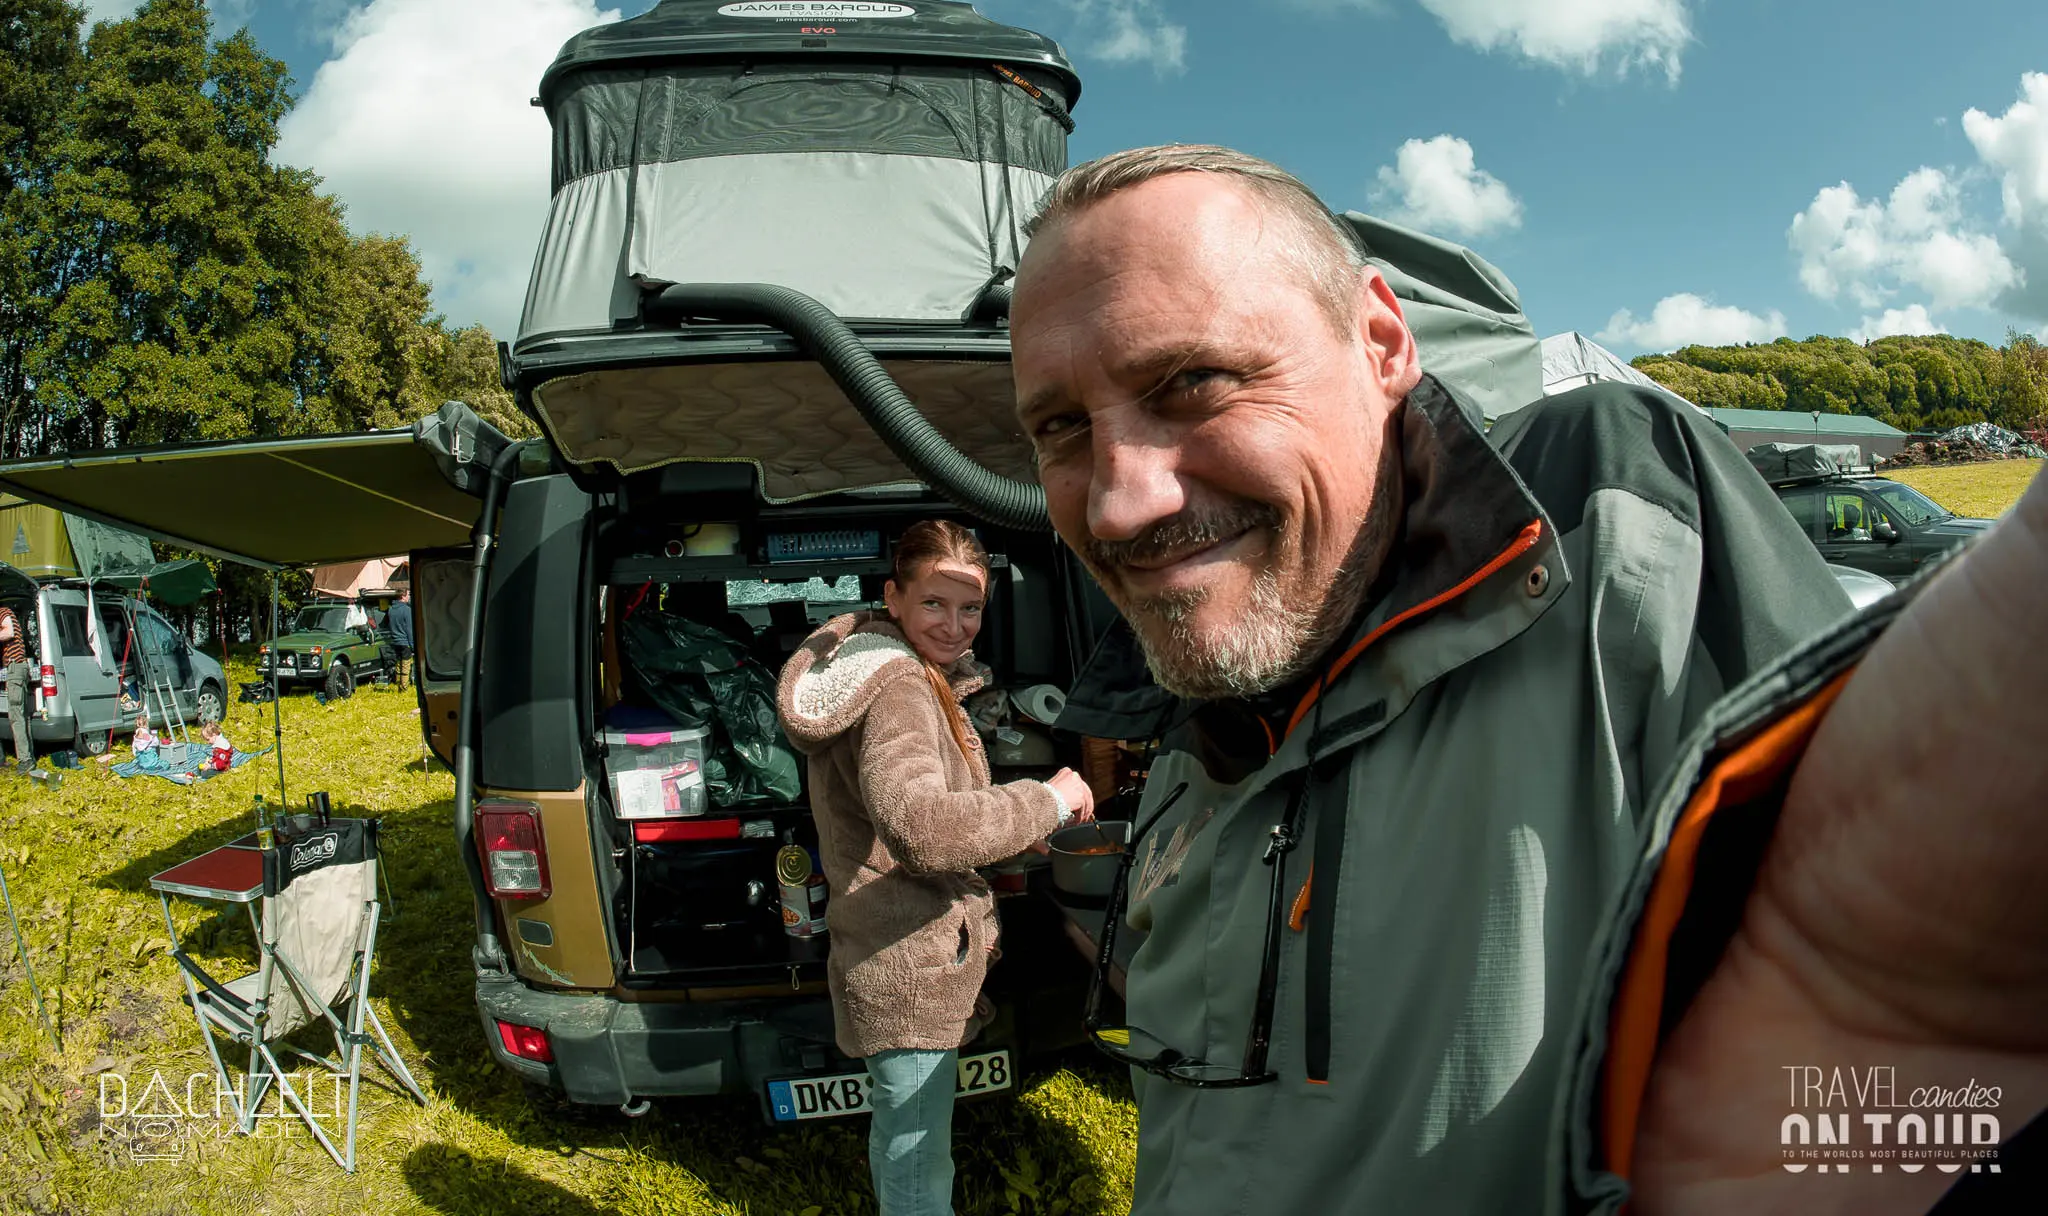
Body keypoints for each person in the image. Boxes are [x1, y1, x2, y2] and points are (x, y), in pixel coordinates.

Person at [1008, 145, 2044, 1213]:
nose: (1118, 504)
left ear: (1380, 341)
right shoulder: (1184, 703)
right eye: (1060, 429)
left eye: (1191, 384)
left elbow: (1906, 1061)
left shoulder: (1612, 527)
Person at [775, 519, 1097, 1216]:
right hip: (909, 960)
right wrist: (1047, 799)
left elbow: (910, 823)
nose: (955, 626)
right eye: (933, 603)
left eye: (970, 607)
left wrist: (1022, 835)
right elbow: (922, 829)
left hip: (890, 945)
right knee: (917, 1165)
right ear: (893, 596)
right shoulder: (899, 686)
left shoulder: (883, 664)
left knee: (905, 1144)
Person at [1, 600, 31, 777]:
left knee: (16, 716)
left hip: (15, 667)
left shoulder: (3, 611)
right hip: (17, 667)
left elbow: (9, 631)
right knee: (21, 714)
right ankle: (28, 758)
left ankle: (25, 760)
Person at [385, 588, 414, 688]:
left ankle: (397, 683)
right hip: (405, 642)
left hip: (395, 641)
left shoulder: (391, 609)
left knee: (398, 663)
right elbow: (409, 629)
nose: (409, 597)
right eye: (408, 595)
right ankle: (404, 687)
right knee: (405, 665)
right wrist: (412, 645)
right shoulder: (407, 610)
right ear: (402, 596)